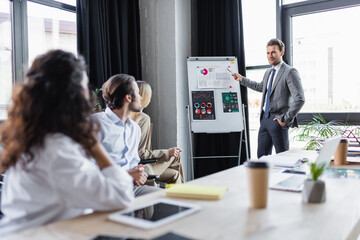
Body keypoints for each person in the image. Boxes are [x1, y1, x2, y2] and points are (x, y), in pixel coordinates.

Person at [0, 50, 134, 235]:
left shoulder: (32, 139)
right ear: (75, 95)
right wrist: (94, 147)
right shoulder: (56, 151)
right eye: (86, 86)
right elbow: (121, 195)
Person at [232, 38, 305, 158]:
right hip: (265, 120)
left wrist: (285, 119)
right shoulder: (268, 72)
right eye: (268, 53)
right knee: (262, 158)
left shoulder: (290, 72)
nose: (270, 56)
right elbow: (260, 87)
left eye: (273, 52)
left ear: (282, 52)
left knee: (283, 159)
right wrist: (242, 79)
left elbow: (300, 98)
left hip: (278, 120)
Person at [92, 74, 159, 196]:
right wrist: (127, 175)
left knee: (168, 198)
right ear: (128, 97)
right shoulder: (95, 125)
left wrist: (138, 173)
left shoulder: (134, 129)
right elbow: (87, 170)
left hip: (129, 188)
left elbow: (133, 162)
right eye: (138, 93)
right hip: (104, 191)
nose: (140, 97)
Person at [131, 81, 184, 185]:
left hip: (137, 164)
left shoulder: (129, 117)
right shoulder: (143, 118)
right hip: (141, 165)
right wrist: (167, 153)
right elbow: (140, 153)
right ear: (145, 97)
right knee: (175, 155)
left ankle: (183, 193)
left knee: (175, 174)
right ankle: (183, 196)